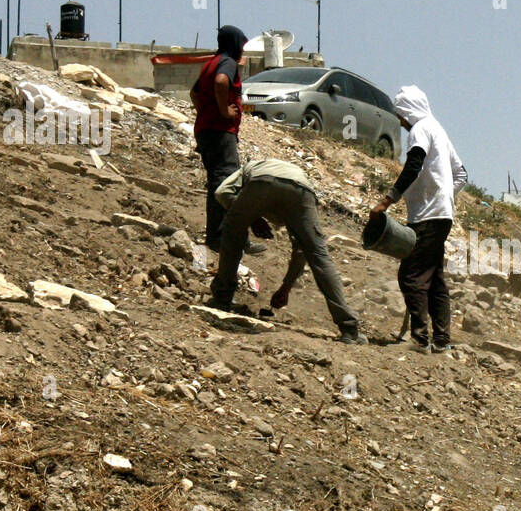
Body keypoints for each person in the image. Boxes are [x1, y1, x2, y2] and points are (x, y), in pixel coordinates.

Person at [211, 157, 365, 344]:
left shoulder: (250, 167)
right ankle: (349, 328)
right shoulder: (293, 172)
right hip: (302, 190)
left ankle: (222, 298)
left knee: (232, 229)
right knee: (318, 254)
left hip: (262, 181)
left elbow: (222, 192)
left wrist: (250, 217)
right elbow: (302, 251)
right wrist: (287, 287)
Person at [370, 86, 467, 352]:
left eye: (401, 115)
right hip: (441, 213)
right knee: (434, 277)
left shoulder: (420, 129)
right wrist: (445, 196)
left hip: (427, 215)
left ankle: (419, 339)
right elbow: (462, 175)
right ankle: (442, 340)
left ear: (408, 111)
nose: (400, 121)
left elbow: (414, 165)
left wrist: (388, 200)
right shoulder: (438, 129)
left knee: (411, 274)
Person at [190, 25, 262, 255]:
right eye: (241, 45)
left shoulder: (209, 63)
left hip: (205, 130)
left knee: (216, 183)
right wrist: (223, 111)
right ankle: (230, 239)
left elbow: (194, 93)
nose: (242, 50)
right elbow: (221, 82)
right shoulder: (227, 63)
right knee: (230, 184)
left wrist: (206, 111)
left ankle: (217, 236)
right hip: (221, 132)